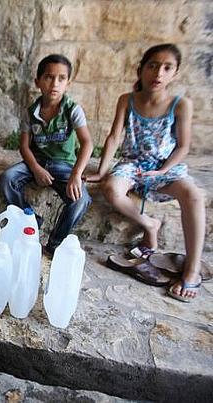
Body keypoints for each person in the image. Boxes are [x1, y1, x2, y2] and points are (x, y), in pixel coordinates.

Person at [86, 43, 205, 302]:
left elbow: (183, 146)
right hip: (134, 164)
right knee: (111, 189)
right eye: (152, 66)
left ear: (175, 73)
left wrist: (163, 170)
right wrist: (102, 170)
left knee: (194, 196)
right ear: (141, 70)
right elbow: (115, 136)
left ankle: (192, 271)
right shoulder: (127, 100)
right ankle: (150, 225)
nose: (158, 73)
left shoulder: (180, 104)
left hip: (166, 166)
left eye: (167, 67)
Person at [0, 54, 93, 255]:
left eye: (61, 78)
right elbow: (24, 146)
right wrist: (36, 169)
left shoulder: (72, 110)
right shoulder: (30, 112)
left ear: (68, 83)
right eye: (49, 77)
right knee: (8, 178)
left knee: (81, 199)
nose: (54, 84)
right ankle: (31, 219)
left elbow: (87, 144)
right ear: (38, 81)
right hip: (37, 161)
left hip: (63, 165)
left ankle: (54, 245)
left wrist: (76, 174)